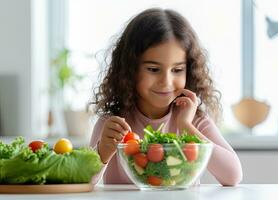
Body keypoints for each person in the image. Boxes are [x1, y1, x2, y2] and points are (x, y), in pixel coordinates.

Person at [89, 8, 242, 186]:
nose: (166, 82)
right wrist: (103, 151)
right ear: (130, 70)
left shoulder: (194, 120)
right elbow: (84, 183)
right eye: (153, 69)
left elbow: (233, 176)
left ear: (189, 70)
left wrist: (186, 126)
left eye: (177, 70)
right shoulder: (113, 125)